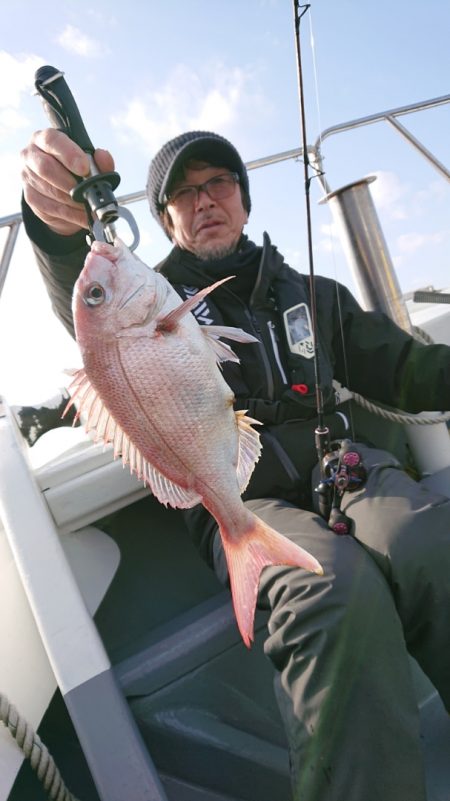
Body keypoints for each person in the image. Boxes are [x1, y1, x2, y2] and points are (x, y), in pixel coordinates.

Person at [21, 127, 450, 801]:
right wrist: (57, 234)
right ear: (162, 220)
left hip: (342, 465)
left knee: (430, 539)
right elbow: (90, 311)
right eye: (183, 194)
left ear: (244, 199)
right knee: (328, 592)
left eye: (218, 182)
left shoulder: (315, 293)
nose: (204, 200)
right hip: (240, 492)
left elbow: (403, 368)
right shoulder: (151, 297)